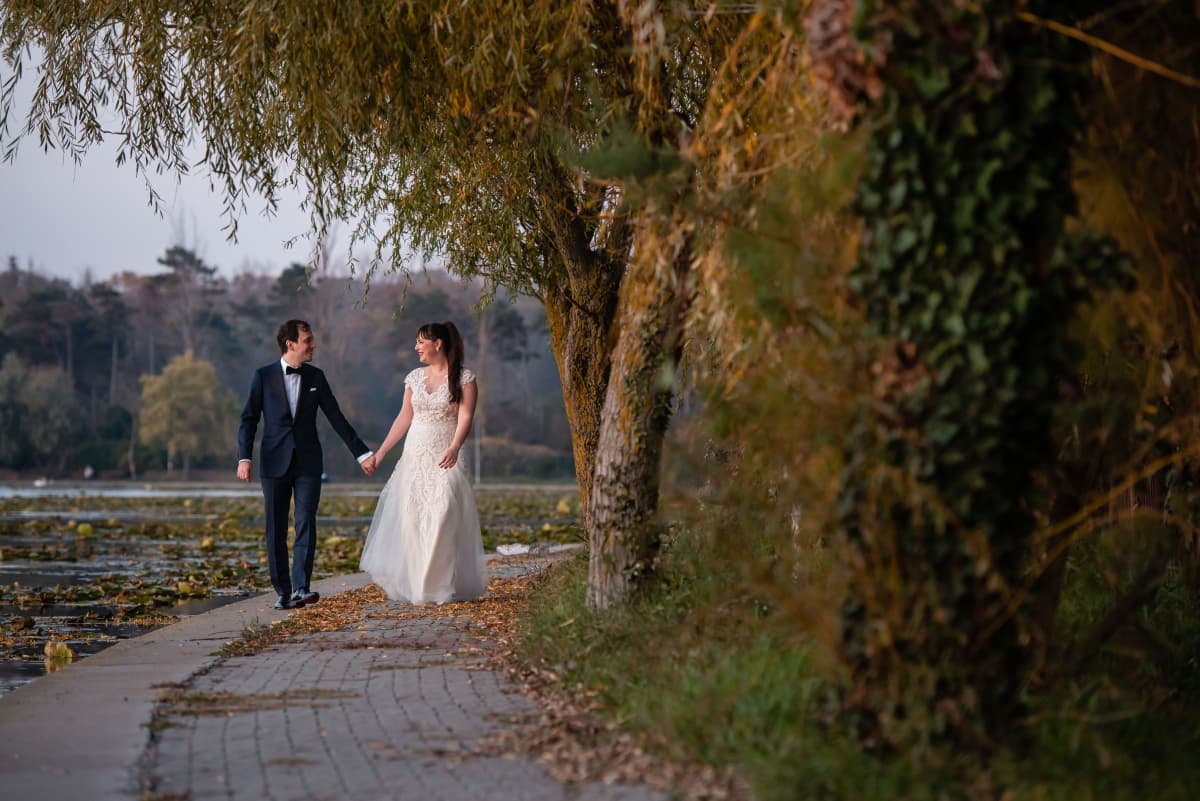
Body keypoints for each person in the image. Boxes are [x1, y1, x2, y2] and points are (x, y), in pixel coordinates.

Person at [237, 319, 377, 610]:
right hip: (273, 463)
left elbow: (336, 416)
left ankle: (302, 588)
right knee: (275, 529)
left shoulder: (317, 377)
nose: (313, 345)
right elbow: (249, 419)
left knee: (305, 523)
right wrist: (244, 457)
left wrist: (361, 453)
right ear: (291, 344)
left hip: (308, 464)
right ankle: (283, 592)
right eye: (308, 340)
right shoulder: (262, 376)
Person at [359, 321, 487, 604]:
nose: (416, 348)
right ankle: (420, 587)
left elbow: (465, 417)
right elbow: (404, 418)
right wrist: (380, 453)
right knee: (413, 519)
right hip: (415, 454)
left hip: (446, 454)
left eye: (420, 342)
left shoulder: (465, 378)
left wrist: (455, 445)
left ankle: (439, 586)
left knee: (443, 513)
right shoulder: (414, 378)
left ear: (437, 343)